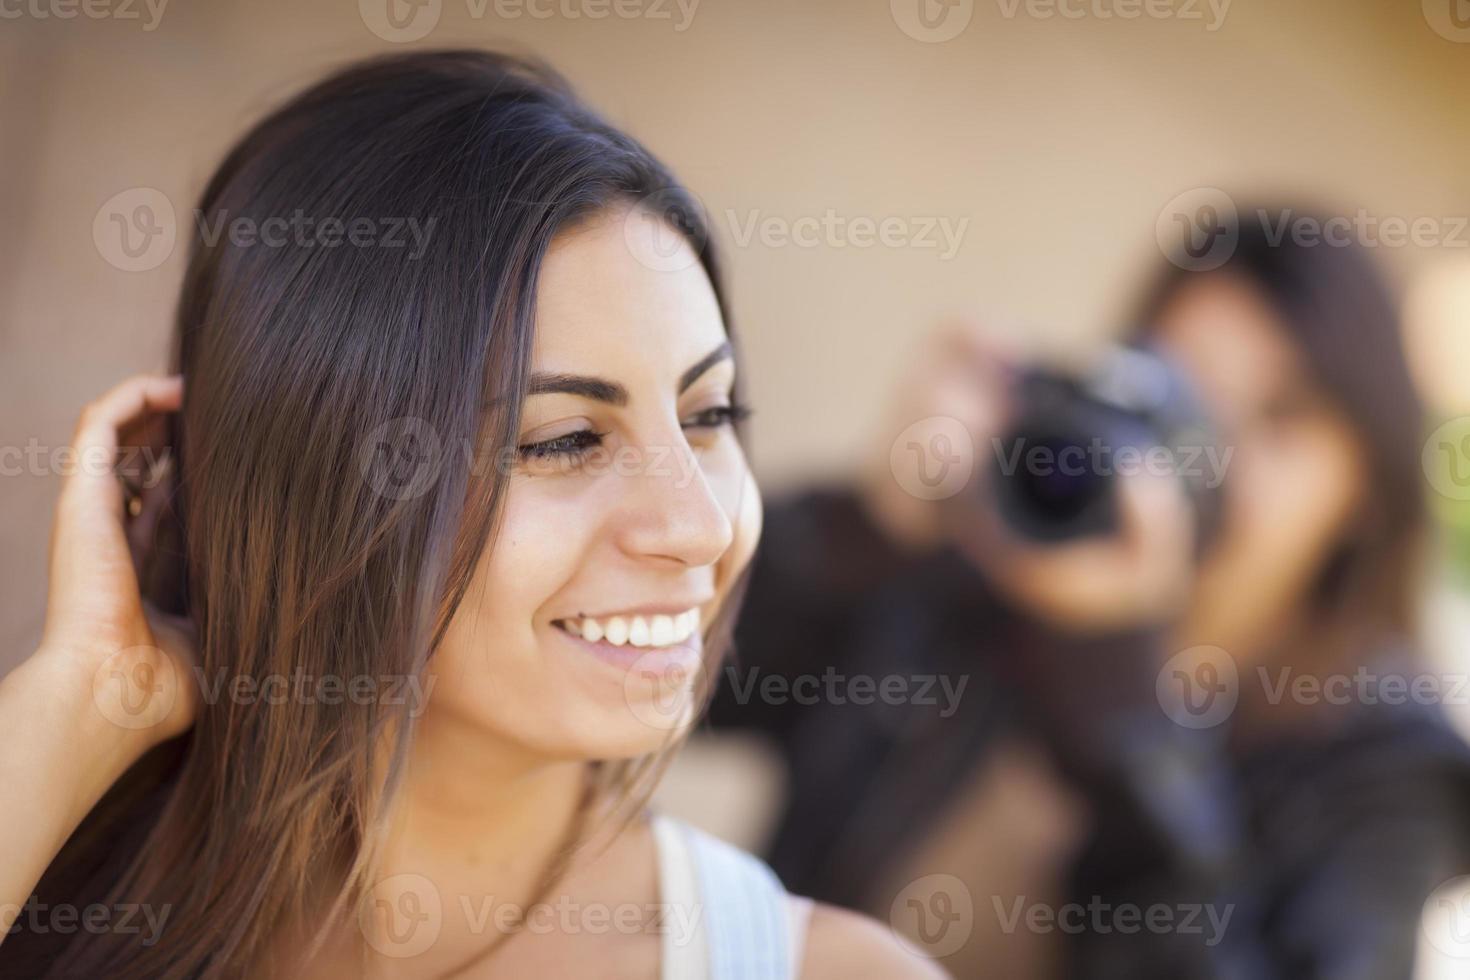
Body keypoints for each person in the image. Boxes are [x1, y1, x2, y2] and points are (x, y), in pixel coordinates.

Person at [0, 50, 942, 979]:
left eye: (709, 416)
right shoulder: (58, 888)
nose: (699, 526)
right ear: (317, 479)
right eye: (566, 439)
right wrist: (85, 699)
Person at [711, 209, 1470, 978]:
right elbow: (673, 691)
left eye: (1279, 420)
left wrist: (1131, 735)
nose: (1216, 458)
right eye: (1185, 396)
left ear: (1367, 489)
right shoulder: (978, 583)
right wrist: (869, 528)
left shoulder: (1386, 776)